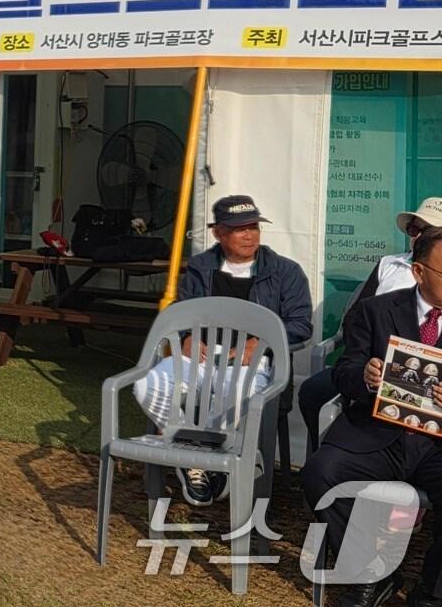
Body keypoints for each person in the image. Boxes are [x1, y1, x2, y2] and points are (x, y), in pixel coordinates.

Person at [135, 194, 311, 507]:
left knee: (235, 390)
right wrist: (187, 335)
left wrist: (263, 342)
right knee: (147, 385)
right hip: (203, 356)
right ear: (219, 233)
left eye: (254, 227)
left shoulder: (285, 271)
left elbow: (301, 325)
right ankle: (192, 454)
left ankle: (222, 459)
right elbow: (182, 311)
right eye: (239, 228)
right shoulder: (201, 267)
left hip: (253, 363)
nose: (249, 235)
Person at [302, 227, 442, 607]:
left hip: (435, 445)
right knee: (321, 473)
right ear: (418, 272)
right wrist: (365, 376)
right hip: (376, 432)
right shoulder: (376, 311)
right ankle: (371, 574)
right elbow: (344, 370)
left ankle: (431, 592)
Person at [299, 199, 442, 446]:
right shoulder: (389, 264)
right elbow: (355, 316)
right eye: (413, 229)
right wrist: (372, 356)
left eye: (427, 230)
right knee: (312, 391)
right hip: (375, 363)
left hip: (431, 379)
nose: (418, 236)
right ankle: (320, 452)